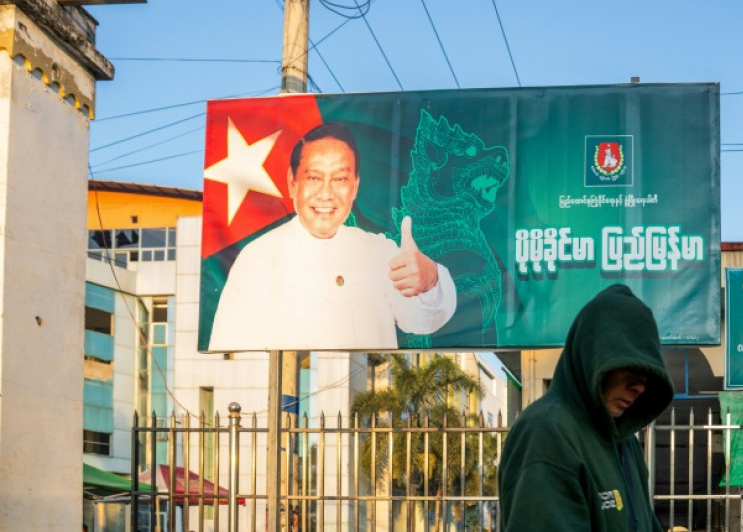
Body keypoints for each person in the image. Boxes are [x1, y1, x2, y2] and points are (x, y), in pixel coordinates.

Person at [208, 122, 456, 351]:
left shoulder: (379, 251)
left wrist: (430, 277)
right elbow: (231, 349)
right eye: (314, 178)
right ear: (292, 183)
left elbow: (423, 321)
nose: (326, 194)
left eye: (340, 179)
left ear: (355, 186)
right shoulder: (258, 258)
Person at [499, 284, 674, 531]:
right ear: (592, 357)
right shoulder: (546, 432)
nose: (639, 387)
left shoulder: (624, 441)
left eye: (647, 374)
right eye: (628, 366)